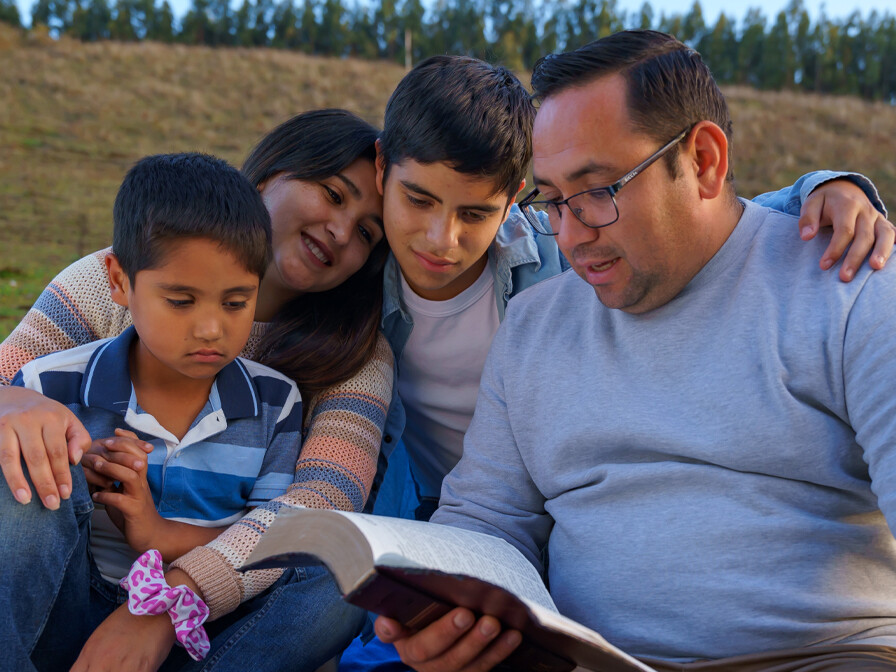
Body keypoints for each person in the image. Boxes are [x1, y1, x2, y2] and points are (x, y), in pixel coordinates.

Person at [341, 53, 893, 671]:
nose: (571, 238)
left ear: (703, 162)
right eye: (553, 201)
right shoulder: (533, 324)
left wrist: (827, 183)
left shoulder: (854, 286)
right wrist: (446, 609)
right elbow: (486, 520)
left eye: (599, 191)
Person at [0, 111, 395, 672]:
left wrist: (166, 605)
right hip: (74, 586)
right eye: (333, 194)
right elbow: (10, 376)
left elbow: (318, 504)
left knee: (334, 574)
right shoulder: (108, 277)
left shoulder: (356, 354)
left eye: (365, 232)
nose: (339, 230)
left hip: (215, 626)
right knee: (17, 471)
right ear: (266, 178)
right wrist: (9, 399)